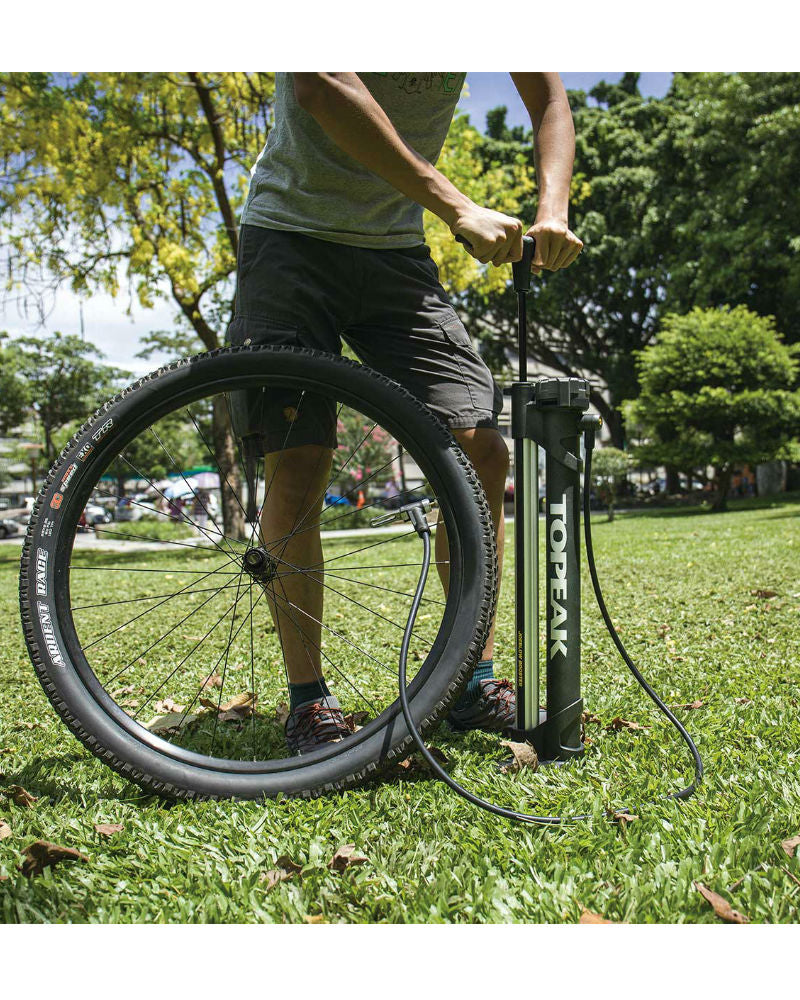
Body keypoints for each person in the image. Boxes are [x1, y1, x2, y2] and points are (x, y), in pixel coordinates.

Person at [227, 72, 583, 754]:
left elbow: (551, 101)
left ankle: (468, 685)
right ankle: (309, 701)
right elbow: (317, 86)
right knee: (300, 460)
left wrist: (554, 208)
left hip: (394, 252)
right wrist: (456, 206)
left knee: (481, 447)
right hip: (288, 237)